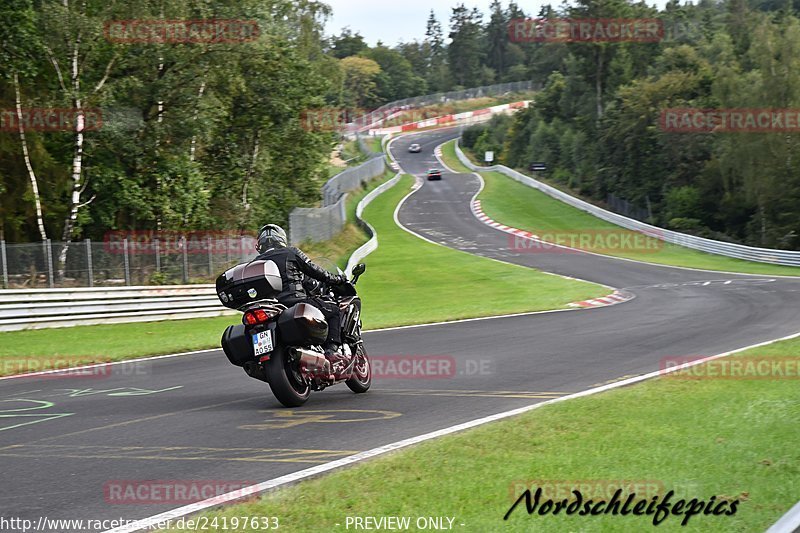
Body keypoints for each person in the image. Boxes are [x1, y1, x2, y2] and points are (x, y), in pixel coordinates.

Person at [254, 224, 349, 366]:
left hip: (270, 309)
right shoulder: (291, 253)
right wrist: (337, 279)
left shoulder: (255, 263)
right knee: (334, 310)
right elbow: (316, 271)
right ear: (281, 239)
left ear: (260, 243)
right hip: (295, 302)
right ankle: (332, 350)